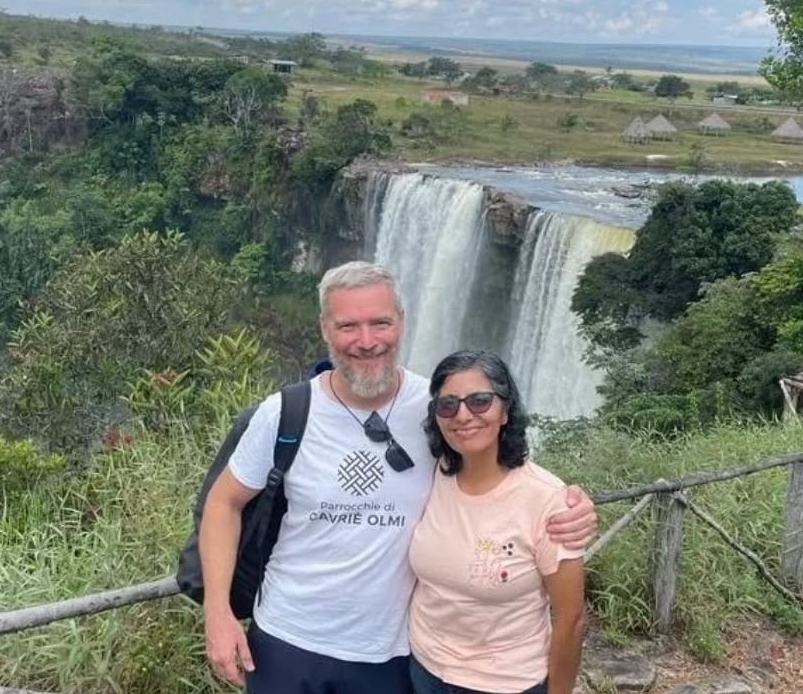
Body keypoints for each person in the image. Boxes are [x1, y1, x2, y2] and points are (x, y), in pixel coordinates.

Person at [199, 261, 598, 694]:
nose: (367, 341)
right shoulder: (285, 412)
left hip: (390, 652)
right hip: (286, 638)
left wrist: (570, 503)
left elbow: (503, 474)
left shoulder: (440, 408)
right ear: (325, 329)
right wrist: (217, 612)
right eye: (349, 325)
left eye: (380, 323)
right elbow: (225, 502)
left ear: (402, 323)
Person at [409, 350, 584, 694]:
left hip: (504, 683)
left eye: (479, 401)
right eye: (448, 405)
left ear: (505, 410)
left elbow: (572, 620)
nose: (463, 415)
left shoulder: (547, 499)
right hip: (423, 668)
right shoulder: (431, 475)